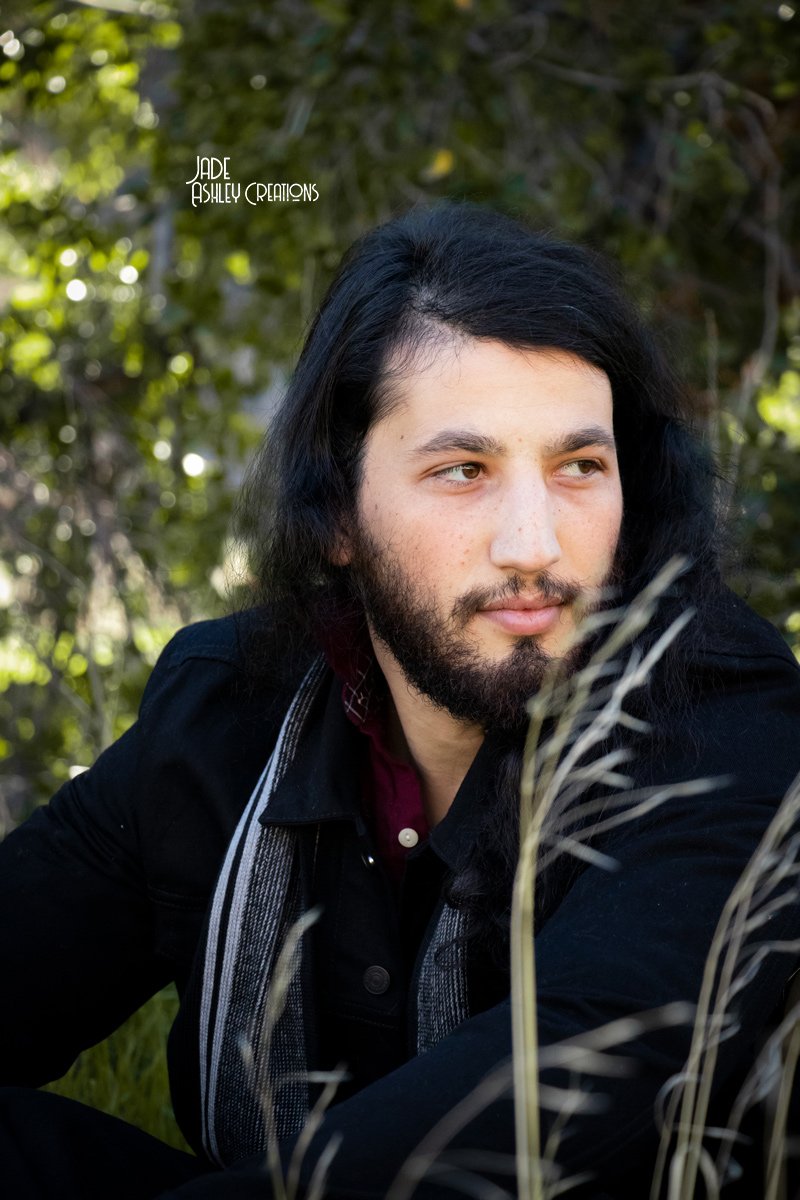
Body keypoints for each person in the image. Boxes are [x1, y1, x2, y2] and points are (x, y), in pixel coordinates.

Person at [2, 202, 799, 1200]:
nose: (533, 546)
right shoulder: (228, 712)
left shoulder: (722, 715)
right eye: (462, 470)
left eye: (578, 467)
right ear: (336, 511)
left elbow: (551, 1089)